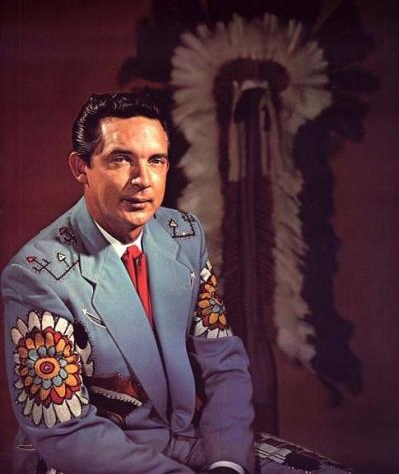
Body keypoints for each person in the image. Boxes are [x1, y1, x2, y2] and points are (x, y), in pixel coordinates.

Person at [2, 91, 352, 474]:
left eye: (156, 160)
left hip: (192, 441)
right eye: (121, 159)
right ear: (81, 167)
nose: (142, 180)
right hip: (98, 459)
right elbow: (66, 433)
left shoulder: (184, 235)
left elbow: (223, 366)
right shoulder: (36, 276)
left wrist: (227, 463)